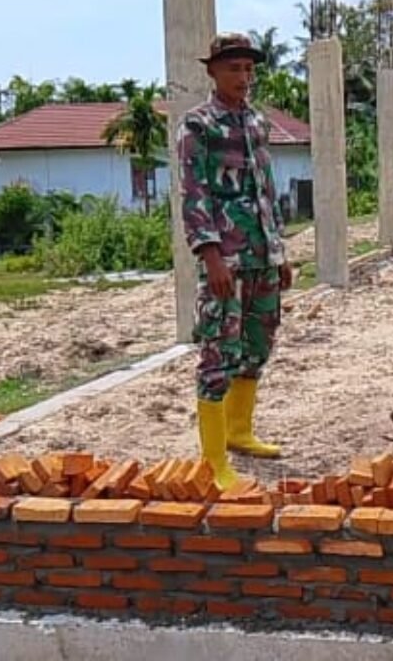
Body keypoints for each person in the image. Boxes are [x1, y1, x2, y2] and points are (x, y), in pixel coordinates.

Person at [177, 32, 293, 490]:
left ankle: (240, 431)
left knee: (257, 345)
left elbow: (266, 191)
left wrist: (279, 251)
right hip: (225, 256)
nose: (243, 77)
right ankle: (214, 461)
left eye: (248, 69)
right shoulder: (198, 125)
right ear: (212, 71)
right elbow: (193, 192)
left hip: (262, 254)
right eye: (233, 68)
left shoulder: (256, 123)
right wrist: (210, 256)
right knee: (218, 352)